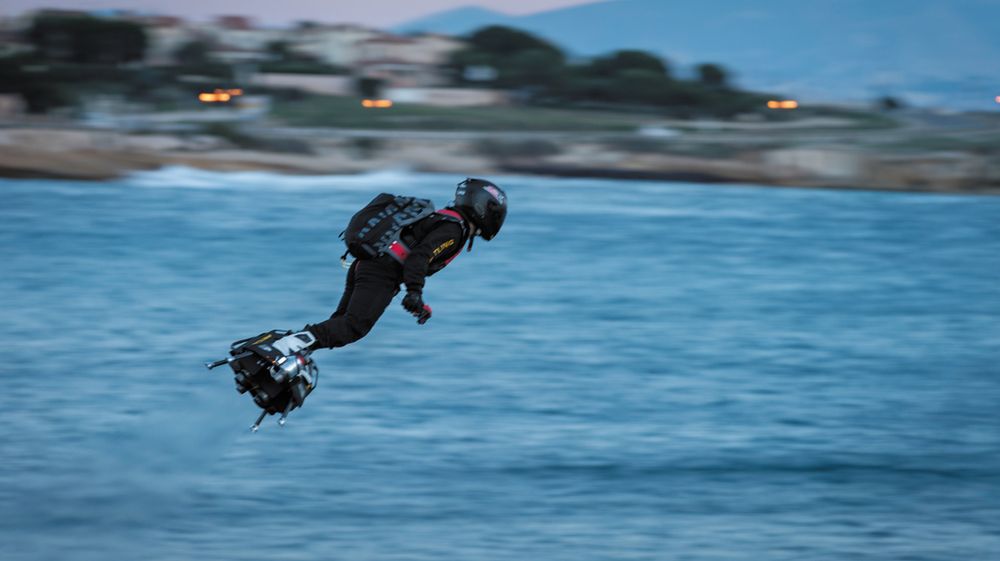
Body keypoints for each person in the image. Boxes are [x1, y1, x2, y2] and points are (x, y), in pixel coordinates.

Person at [270, 178, 508, 356]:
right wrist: (414, 292)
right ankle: (287, 346)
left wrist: (416, 299)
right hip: (381, 271)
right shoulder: (455, 230)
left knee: (341, 322)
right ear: (482, 208)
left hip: (368, 265)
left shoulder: (445, 218)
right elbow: (420, 256)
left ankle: (291, 352)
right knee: (354, 326)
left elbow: (413, 250)